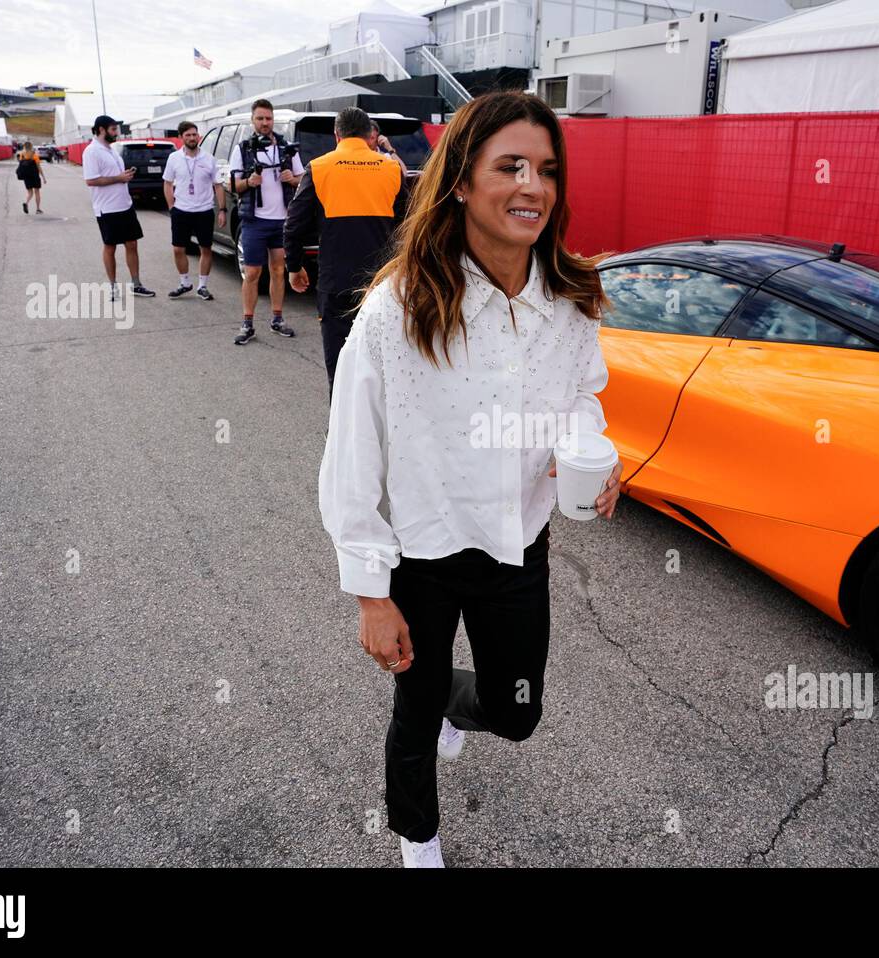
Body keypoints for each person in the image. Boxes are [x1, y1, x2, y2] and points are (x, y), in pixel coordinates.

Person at [318, 91, 622, 868]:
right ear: (459, 181)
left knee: (516, 713)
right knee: (412, 717)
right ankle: (417, 838)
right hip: (423, 551)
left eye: (547, 170)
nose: (534, 186)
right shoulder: (399, 308)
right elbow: (352, 451)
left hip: (519, 540)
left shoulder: (570, 297)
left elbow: (584, 392)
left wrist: (589, 452)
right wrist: (369, 593)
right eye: (510, 166)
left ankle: (464, 701)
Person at [285, 107, 407, 395]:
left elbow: (293, 225)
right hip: (382, 283)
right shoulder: (391, 169)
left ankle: (343, 434)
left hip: (335, 281)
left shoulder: (319, 167)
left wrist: (294, 266)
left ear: (336, 135)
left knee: (340, 363)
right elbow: (408, 225)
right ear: (369, 136)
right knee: (383, 363)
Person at [229, 100, 303, 345]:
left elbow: (302, 179)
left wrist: (292, 178)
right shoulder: (243, 148)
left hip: (282, 220)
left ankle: (277, 319)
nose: (264, 123)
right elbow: (233, 185)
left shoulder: (286, 147)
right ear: (253, 120)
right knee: (252, 272)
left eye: (268, 118)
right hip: (255, 221)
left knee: (278, 270)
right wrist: (249, 182)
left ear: (273, 120)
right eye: (260, 118)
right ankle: (247, 323)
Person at [81, 115, 155, 298]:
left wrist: (124, 175)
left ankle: (136, 284)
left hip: (125, 205)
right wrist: (119, 178)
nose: (116, 133)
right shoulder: (91, 151)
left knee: (132, 244)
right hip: (107, 208)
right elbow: (90, 180)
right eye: (113, 129)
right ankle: (112, 286)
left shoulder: (112, 150)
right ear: (100, 129)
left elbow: (112, 175)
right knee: (110, 246)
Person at [162, 120, 223, 300]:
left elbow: (218, 185)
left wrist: (222, 210)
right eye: (187, 135)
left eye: (194, 134)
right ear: (181, 138)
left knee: (206, 248)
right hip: (181, 210)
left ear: (199, 136)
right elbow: (167, 183)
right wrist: (171, 206)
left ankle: (202, 286)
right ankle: (185, 282)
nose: (191, 138)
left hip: (204, 210)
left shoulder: (209, 159)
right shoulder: (173, 158)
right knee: (178, 249)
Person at [17, 141, 46, 214]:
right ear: (31, 147)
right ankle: (38, 209)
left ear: (24, 147)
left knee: (30, 193)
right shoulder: (34, 155)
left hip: (26, 177)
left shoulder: (22, 155)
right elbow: (39, 167)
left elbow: (21, 165)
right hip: (35, 176)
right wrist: (43, 177)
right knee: (37, 192)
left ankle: (26, 203)